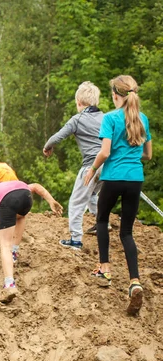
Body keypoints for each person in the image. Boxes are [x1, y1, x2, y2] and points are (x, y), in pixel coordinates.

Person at [84, 75, 152, 316]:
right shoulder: (142, 119)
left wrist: (92, 171)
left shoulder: (110, 118)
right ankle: (135, 281)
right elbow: (148, 155)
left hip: (113, 178)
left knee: (102, 220)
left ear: (115, 95)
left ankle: (104, 269)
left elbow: (104, 151)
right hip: (135, 179)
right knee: (127, 232)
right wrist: (130, 155)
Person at [43, 81, 104, 250]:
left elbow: (57, 137)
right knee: (92, 195)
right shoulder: (106, 117)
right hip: (108, 165)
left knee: (77, 202)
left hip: (91, 166)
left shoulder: (77, 119)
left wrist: (47, 147)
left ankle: (75, 240)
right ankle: (102, 223)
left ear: (78, 102)